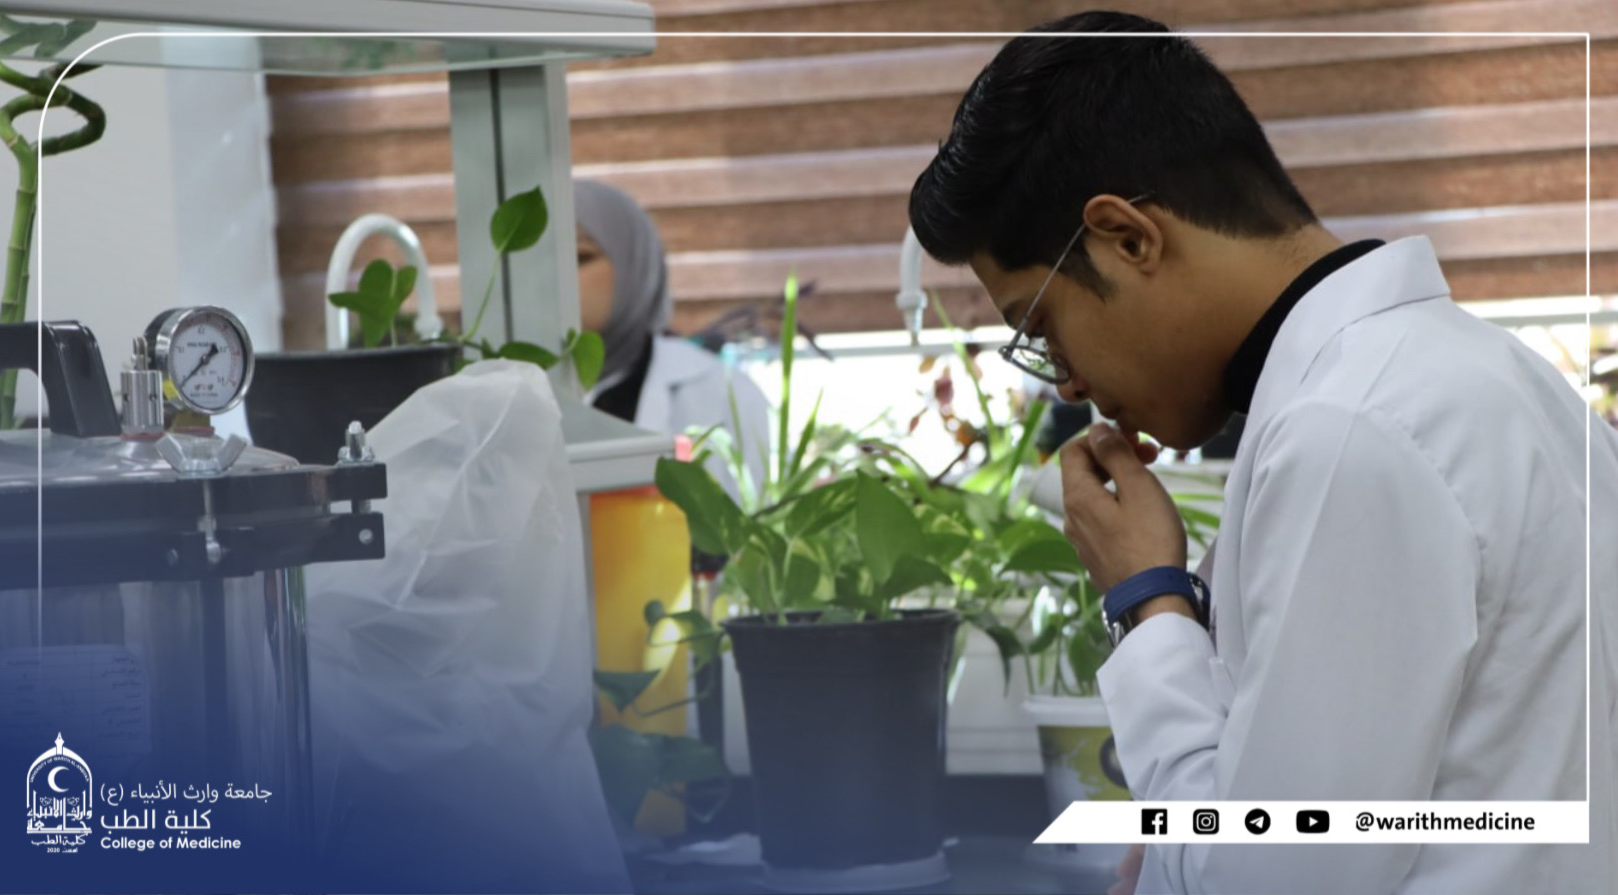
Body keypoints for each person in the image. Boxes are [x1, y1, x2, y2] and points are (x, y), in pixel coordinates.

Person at [909, 11, 1618, 895]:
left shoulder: (1349, 429)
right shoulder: (1491, 378)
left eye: (1042, 326)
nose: (1067, 383)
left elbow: (1262, 880)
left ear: (1128, 237)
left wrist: (1147, 600)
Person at [572, 178, 770, 499]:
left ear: (633, 264)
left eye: (580, 256)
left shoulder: (720, 391)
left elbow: (753, 519)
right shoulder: (501, 392)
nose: (556, 276)